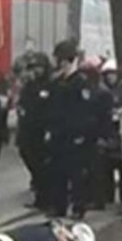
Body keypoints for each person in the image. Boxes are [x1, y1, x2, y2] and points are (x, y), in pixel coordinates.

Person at [45, 42, 108, 219]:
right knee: (58, 172)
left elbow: (86, 111)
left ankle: (78, 206)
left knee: (77, 173)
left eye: (63, 60)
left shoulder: (81, 84)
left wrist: (83, 133)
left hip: (76, 136)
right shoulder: (57, 83)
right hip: (59, 134)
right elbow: (52, 109)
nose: (61, 64)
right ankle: (59, 205)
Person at [15, 51, 52, 206]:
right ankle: (39, 191)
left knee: (42, 164)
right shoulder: (29, 87)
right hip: (27, 131)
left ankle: (44, 198)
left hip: (41, 131)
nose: (34, 72)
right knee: (28, 157)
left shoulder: (49, 86)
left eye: (37, 68)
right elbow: (22, 104)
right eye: (31, 68)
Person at [96, 59, 122, 207]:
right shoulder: (101, 92)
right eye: (108, 74)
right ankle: (107, 198)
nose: (111, 77)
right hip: (107, 133)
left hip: (121, 135)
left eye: (113, 74)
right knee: (106, 169)